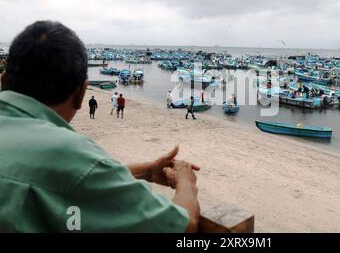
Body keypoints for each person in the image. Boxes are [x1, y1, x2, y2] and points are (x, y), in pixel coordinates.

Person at [0, 21, 200, 232]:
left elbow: (63, 180)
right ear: (81, 93)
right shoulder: (68, 152)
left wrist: (147, 171)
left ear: (3, 81)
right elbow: (185, 225)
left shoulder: (64, 164)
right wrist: (185, 181)